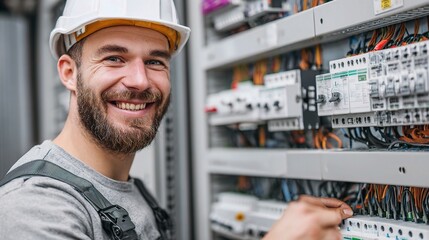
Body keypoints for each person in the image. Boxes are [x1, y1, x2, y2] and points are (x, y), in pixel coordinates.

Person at [0, 0, 352, 239]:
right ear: (68, 72)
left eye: (155, 61)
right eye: (114, 59)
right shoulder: (36, 208)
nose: (139, 80)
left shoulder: (128, 190)